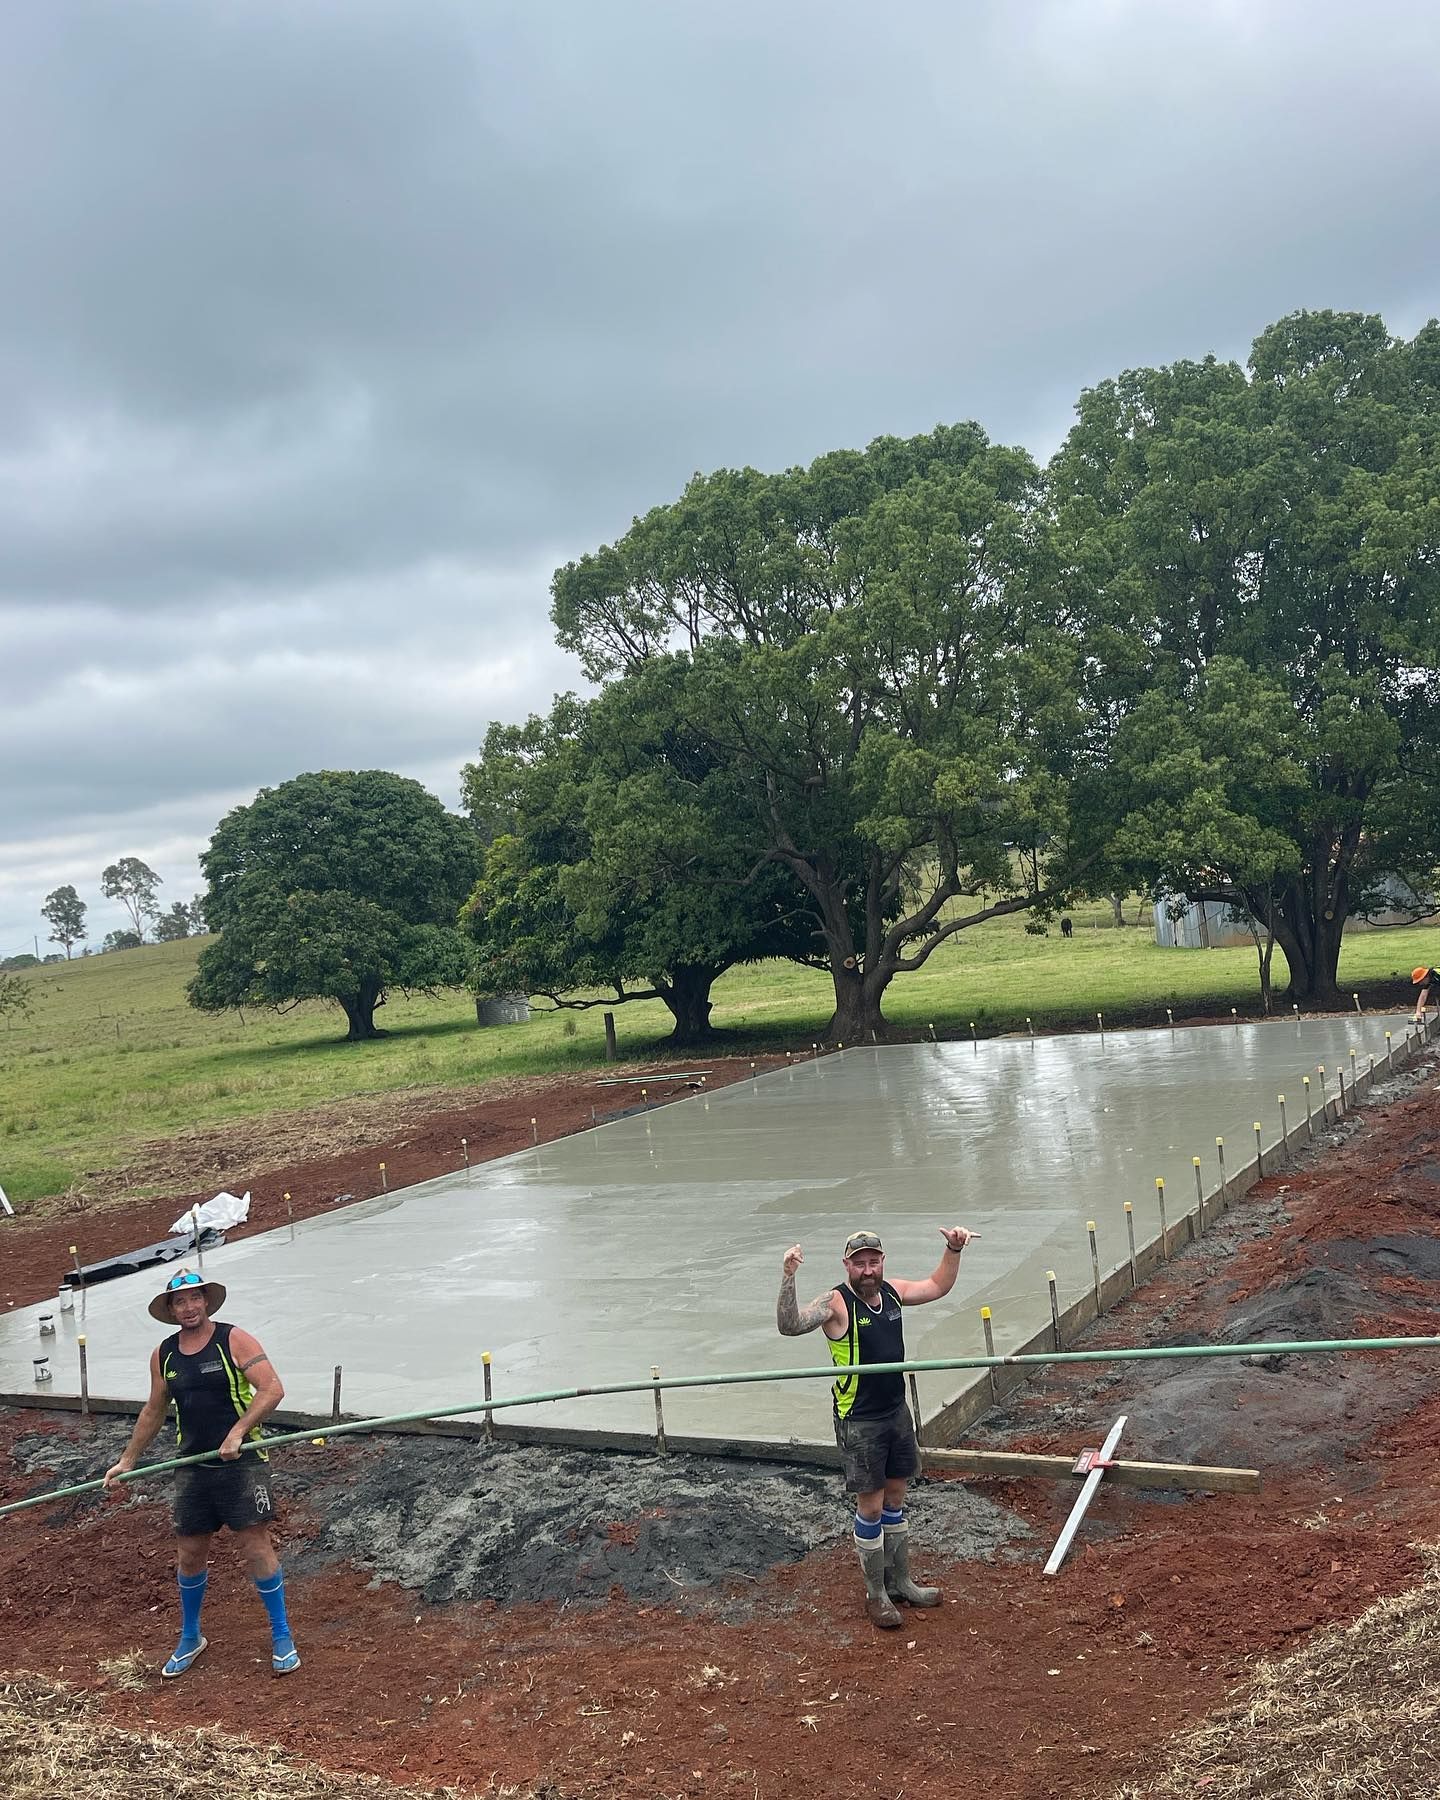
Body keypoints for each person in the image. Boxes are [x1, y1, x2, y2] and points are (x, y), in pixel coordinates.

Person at [777, 1225, 976, 1630]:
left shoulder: (892, 1292)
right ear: (847, 1265)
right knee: (870, 1506)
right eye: (859, 1263)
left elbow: (937, 1286)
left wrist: (953, 1249)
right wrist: (788, 1277)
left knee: (896, 1498)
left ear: (882, 1262)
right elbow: (790, 1324)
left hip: (895, 1412)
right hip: (860, 1420)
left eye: (874, 1261)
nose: (867, 1270)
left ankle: (901, 1580)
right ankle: (876, 1594)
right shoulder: (835, 1303)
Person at [103, 1267, 299, 1678]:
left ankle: (282, 1634)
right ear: (171, 1309)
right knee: (190, 1552)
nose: (189, 1307)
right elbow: (155, 1409)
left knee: (254, 1544)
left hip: (241, 1462)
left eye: (195, 1298)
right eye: (180, 1301)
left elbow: (272, 1388)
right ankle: (191, 1636)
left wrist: (239, 1432)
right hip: (192, 1464)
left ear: (206, 1301)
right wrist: (128, 1459)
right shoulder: (165, 1353)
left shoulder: (233, 1339)